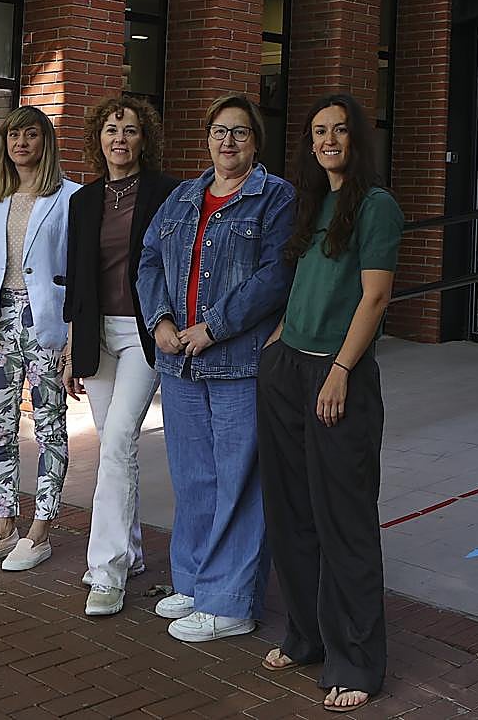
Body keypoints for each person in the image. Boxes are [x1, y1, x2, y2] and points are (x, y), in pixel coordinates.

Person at [256, 94, 403, 713]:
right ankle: (309, 635)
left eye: (340, 131)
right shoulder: (310, 202)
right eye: (319, 131)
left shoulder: (376, 207)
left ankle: (358, 662)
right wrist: (278, 343)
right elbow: (301, 282)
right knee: (291, 512)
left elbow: (373, 300)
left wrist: (340, 371)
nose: (328, 140)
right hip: (288, 367)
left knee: (343, 520)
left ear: (356, 139)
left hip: (338, 375)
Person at [136, 93, 295, 642]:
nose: (228, 142)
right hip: (179, 365)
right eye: (219, 131)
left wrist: (215, 326)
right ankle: (197, 581)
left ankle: (230, 602)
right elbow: (150, 260)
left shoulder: (274, 198)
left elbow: (275, 276)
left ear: (256, 142)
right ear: (206, 138)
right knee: (194, 479)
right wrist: (158, 319)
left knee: (240, 483)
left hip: (235, 362)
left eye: (240, 133)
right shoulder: (183, 197)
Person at [62, 96, 179, 617]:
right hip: (96, 336)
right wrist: (71, 344)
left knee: (116, 445)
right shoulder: (83, 201)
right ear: (99, 137)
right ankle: (128, 551)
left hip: (142, 334)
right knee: (115, 448)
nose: (120, 139)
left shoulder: (167, 194)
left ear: (144, 140)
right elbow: (77, 279)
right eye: (112, 130)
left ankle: (106, 571)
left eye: (130, 131)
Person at [0, 105, 79, 571]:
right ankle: (4, 525)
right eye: (13, 136)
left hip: (45, 321)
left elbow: (77, 275)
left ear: (44, 142)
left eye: (31, 135)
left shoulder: (70, 197)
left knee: (50, 424)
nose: (21, 144)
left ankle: (40, 530)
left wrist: (71, 337)